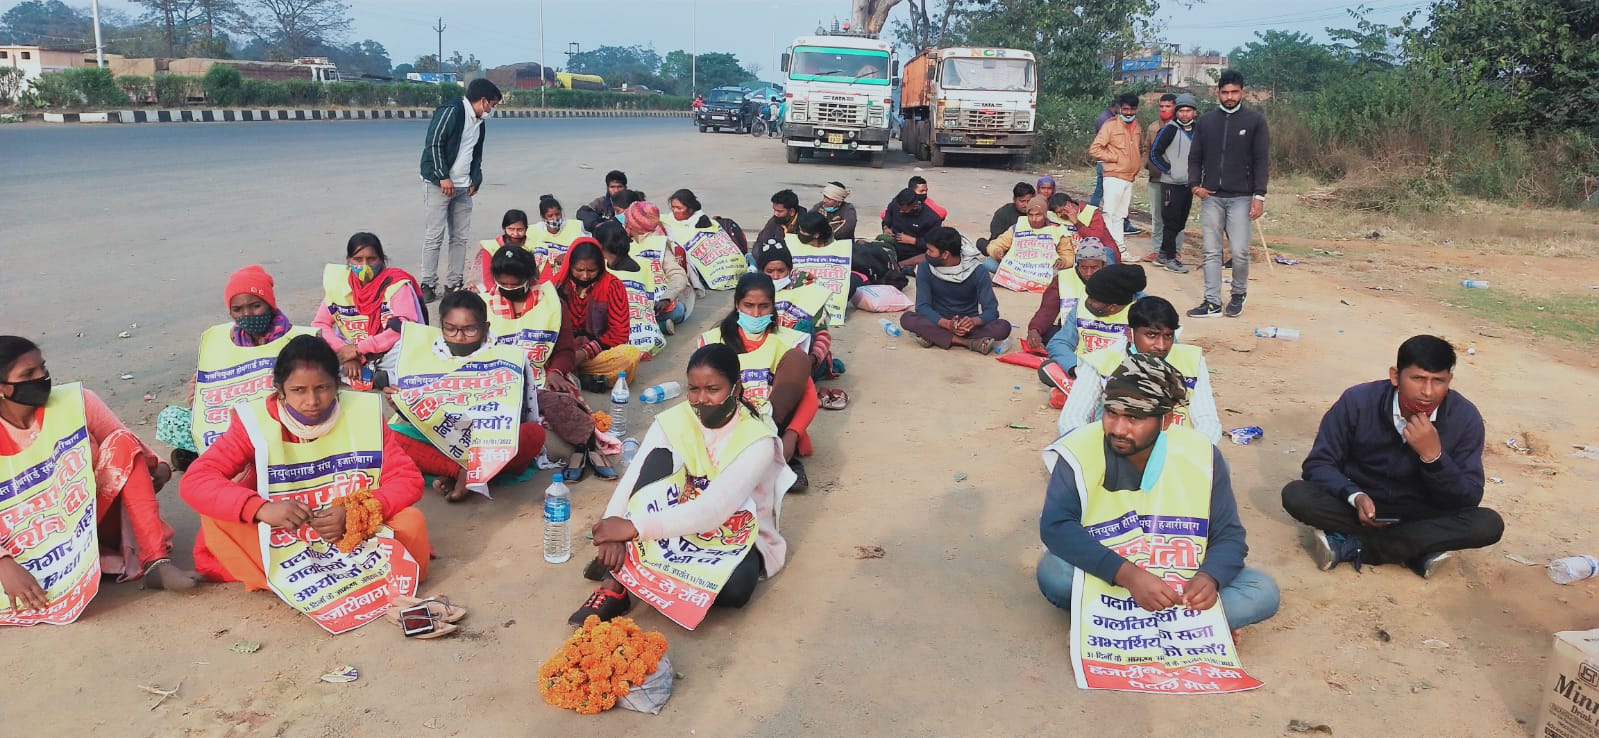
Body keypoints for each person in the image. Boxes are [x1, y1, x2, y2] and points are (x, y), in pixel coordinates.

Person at [1036, 353, 1280, 632]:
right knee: (1054, 573)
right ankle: (1198, 628)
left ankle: (1109, 623)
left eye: (1134, 418)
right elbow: (1056, 527)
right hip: (1109, 575)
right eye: (1111, 413)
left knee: (1262, 590)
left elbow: (1229, 535)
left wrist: (1210, 578)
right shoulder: (1078, 449)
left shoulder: (1203, 455)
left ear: (1165, 421)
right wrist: (1128, 575)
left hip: (1179, 580)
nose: (1118, 429)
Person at [179, 335, 431, 596]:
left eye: (322, 388)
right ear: (280, 389)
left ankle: (289, 580)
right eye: (299, 390)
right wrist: (262, 509)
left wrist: (354, 513)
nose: (312, 401)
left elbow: (407, 479)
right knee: (214, 520)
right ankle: (342, 577)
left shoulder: (362, 413)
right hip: (282, 532)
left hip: (350, 532)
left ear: (337, 385)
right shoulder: (254, 422)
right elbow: (196, 481)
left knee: (411, 522)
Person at [567, 344, 795, 625]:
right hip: (677, 517)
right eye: (694, 390)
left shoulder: (757, 440)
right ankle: (617, 582)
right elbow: (634, 478)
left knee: (736, 588)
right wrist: (613, 528)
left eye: (713, 389)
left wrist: (633, 528)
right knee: (657, 460)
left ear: (735, 390)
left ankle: (634, 565)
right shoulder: (675, 419)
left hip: (732, 532)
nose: (702, 400)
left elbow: (713, 510)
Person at [0, 336, 194, 619]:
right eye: (28, 375)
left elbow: (126, 442)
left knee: (122, 444)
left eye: (42, 368)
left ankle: (156, 561)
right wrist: (5, 564)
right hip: (31, 542)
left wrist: (156, 467)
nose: (42, 377)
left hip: (88, 518)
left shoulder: (77, 402)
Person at [1282, 335, 1503, 578]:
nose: (1427, 392)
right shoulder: (1358, 401)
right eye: (1418, 379)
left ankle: (1356, 546)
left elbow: (1468, 498)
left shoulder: (1465, 418)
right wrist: (1355, 496)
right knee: (1297, 495)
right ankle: (1416, 550)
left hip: (1422, 513)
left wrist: (1434, 458)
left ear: (1449, 380)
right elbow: (1318, 464)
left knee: (1488, 525)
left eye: (1438, 381)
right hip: (1361, 505)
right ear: (1395, 376)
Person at [383, 292, 548, 502]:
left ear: (485, 327)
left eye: (470, 329)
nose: (459, 337)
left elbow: (519, 415)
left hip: (491, 440)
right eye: (450, 328)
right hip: (439, 439)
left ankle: (466, 470)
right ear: (441, 325)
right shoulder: (426, 356)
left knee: (533, 434)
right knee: (389, 438)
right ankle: (462, 471)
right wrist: (402, 407)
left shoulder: (506, 357)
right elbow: (419, 420)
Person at [157, 265, 312, 472]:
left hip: (277, 427)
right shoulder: (223, 344)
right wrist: (200, 400)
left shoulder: (296, 341)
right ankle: (218, 459)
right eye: (237, 310)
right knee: (171, 419)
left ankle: (209, 462)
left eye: (255, 306)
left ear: (269, 304)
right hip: (229, 428)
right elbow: (208, 399)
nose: (247, 315)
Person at [485, 247, 615, 483]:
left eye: (516, 286)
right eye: (503, 286)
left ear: (531, 279)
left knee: (560, 402)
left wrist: (556, 371)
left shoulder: (552, 304)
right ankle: (583, 445)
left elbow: (565, 349)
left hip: (542, 377)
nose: (509, 291)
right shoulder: (483, 305)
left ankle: (585, 445)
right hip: (498, 384)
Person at [697, 273, 816, 485]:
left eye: (764, 306)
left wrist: (791, 436)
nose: (755, 313)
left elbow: (808, 396)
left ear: (773, 306)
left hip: (774, 424)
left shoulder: (787, 341)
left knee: (799, 359)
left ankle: (770, 447)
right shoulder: (713, 340)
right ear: (737, 305)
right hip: (728, 422)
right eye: (748, 305)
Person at [1057, 296, 1222, 445]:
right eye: (1151, 335)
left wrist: (1194, 453)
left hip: (1176, 452)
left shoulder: (1192, 361)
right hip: (1117, 450)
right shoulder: (1101, 362)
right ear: (1130, 334)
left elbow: (1207, 421)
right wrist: (1096, 453)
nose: (1161, 346)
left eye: (1168, 336)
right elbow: (1072, 418)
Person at [1187, 69, 1270, 319]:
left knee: (1240, 251)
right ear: (1217, 93)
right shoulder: (1207, 122)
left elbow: (1260, 161)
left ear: (1242, 92)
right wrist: (1195, 186)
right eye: (1225, 92)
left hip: (1241, 197)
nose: (1230, 97)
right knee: (1211, 251)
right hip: (1211, 196)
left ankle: (1238, 294)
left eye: (1234, 92)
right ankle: (1211, 301)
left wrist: (1259, 196)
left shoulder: (1254, 121)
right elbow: (1195, 157)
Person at [418, 77, 502, 303]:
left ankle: (454, 283)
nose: (491, 110)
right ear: (483, 100)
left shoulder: (479, 122)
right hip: (440, 184)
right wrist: (442, 176)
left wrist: (476, 178)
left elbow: (476, 153)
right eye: (492, 104)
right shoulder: (452, 111)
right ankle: (427, 283)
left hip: (464, 187)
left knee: (460, 237)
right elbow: (434, 144)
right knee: (434, 236)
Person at [313, 232, 426, 390]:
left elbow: (403, 328)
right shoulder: (338, 285)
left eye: (371, 259)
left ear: (382, 260)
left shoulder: (396, 285)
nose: (365, 265)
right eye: (358, 259)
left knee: (411, 351)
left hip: (385, 352)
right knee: (312, 347)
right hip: (350, 349)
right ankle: (375, 377)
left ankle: (357, 376)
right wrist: (345, 353)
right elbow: (320, 324)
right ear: (348, 261)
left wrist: (359, 350)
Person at [901, 227, 1011, 354]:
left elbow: (991, 310)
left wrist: (973, 322)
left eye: (931, 251)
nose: (927, 254)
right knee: (907, 318)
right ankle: (968, 343)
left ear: (945, 254)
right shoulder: (925, 267)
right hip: (938, 320)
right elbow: (922, 307)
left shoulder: (977, 270)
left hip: (968, 325)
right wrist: (947, 324)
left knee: (1003, 327)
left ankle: (934, 336)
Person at [554, 237, 642, 391]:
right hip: (562, 353)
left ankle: (575, 376)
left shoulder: (613, 286)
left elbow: (619, 333)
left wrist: (584, 352)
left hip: (595, 354)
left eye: (591, 270)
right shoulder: (559, 286)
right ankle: (584, 378)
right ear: (570, 266)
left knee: (630, 355)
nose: (585, 276)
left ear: (600, 267)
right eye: (579, 270)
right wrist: (566, 355)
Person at [755, 237, 840, 381]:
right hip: (767, 356)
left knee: (803, 327)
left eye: (781, 271)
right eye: (769, 271)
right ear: (762, 272)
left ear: (789, 270)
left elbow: (822, 334)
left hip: (802, 359)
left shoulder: (808, 291)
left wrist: (813, 359)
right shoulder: (754, 293)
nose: (775, 276)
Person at [1043, 262, 1147, 379]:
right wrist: (1075, 368)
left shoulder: (1146, 312)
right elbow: (1059, 343)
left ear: (1112, 307)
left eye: (1094, 300)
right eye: (1089, 296)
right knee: (1047, 370)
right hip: (1082, 370)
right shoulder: (1082, 305)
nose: (1088, 302)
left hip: (1123, 377)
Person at [1088, 92, 1144, 256]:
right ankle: (1107, 250)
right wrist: (1114, 158)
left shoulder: (1137, 126)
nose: (1129, 113)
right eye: (1125, 109)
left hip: (1129, 178)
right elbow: (1095, 149)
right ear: (1120, 108)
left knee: (1120, 216)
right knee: (1109, 214)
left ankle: (1120, 250)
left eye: (1132, 109)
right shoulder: (1110, 125)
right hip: (1113, 176)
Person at [1149, 93, 1199, 274]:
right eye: (1181, 111)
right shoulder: (1169, 129)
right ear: (1176, 112)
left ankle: (1162, 253)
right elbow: (1155, 153)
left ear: (1194, 112)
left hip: (1189, 183)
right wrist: (1169, 170)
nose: (1185, 114)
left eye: (1188, 111)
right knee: (1170, 221)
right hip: (1171, 183)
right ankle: (1170, 259)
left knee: (1180, 222)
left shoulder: (1198, 130)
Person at [1026, 240, 1109, 349]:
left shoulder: (1112, 279)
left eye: (1094, 268)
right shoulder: (1062, 278)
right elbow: (1047, 310)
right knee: (1045, 334)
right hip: (1069, 332)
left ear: (1103, 265)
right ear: (1077, 265)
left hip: (1103, 332)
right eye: (1084, 267)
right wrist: (1035, 330)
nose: (1089, 273)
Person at [785, 211, 854, 325]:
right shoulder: (793, 245)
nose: (800, 233)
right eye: (800, 229)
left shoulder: (836, 249)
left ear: (816, 235)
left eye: (804, 231)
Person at [982, 196, 1073, 279]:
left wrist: (1063, 261)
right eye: (1030, 215)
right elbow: (995, 244)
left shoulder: (1058, 230)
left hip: (1044, 269)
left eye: (1038, 215)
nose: (1034, 219)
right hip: (1019, 267)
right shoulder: (1018, 226)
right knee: (989, 263)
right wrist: (997, 251)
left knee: (1060, 272)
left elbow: (1069, 255)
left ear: (1045, 215)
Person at [1142, 93, 1177, 261]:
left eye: (1168, 106)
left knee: (1175, 216)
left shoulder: (1180, 127)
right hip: (1155, 179)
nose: (1164, 109)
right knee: (1157, 216)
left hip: (1176, 180)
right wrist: (1147, 165)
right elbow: (1146, 148)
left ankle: (1174, 251)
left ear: (1175, 108)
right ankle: (1157, 249)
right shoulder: (1152, 127)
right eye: (1161, 107)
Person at [880, 187, 946, 269]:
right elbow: (887, 218)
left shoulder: (932, 219)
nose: (900, 211)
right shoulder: (895, 204)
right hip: (892, 245)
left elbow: (933, 245)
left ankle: (901, 265)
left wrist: (913, 241)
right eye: (899, 209)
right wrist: (886, 228)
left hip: (914, 252)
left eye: (904, 211)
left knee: (931, 256)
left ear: (915, 207)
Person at [470, 209, 530, 292]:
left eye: (520, 230)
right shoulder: (490, 247)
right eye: (511, 229)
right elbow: (488, 278)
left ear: (526, 229)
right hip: (496, 289)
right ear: (504, 228)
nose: (515, 234)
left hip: (525, 289)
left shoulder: (533, 246)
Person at [1050, 193, 1119, 265]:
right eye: (1057, 213)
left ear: (1068, 205)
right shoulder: (1054, 217)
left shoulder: (1092, 213)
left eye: (1061, 211)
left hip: (1100, 250)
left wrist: (1076, 222)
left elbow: (1095, 237)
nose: (1059, 215)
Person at [531, 194, 588, 276]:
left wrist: (569, 255)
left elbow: (588, 249)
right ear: (543, 217)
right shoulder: (533, 230)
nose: (555, 218)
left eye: (557, 214)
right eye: (550, 216)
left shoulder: (575, 226)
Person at [879, 175, 949, 220]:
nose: (924, 193)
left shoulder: (927, 202)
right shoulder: (901, 201)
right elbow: (884, 215)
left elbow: (942, 213)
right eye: (921, 191)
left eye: (926, 191)